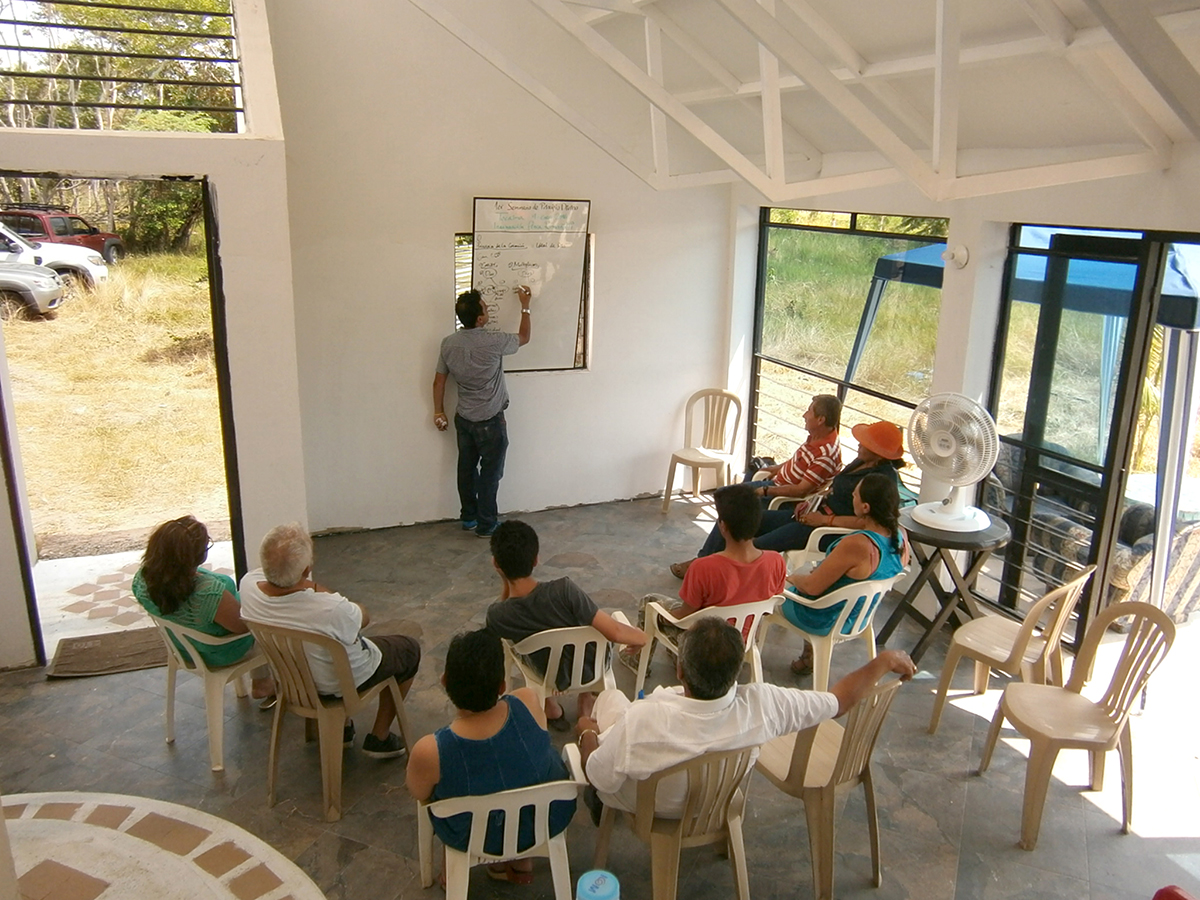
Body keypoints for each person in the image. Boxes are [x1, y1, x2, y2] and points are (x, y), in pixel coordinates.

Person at [577, 617, 915, 817]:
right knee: (617, 714)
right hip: (718, 802)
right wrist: (882, 661)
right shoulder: (764, 703)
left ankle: (590, 717)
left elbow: (600, 777)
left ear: (680, 670)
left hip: (649, 808)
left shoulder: (646, 719)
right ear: (738, 671)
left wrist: (586, 733)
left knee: (610, 701)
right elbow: (839, 702)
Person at [406, 629, 576, 886]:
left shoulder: (431, 750)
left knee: (446, 795)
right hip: (540, 822)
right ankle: (520, 862)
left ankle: (449, 876)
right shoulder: (528, 702)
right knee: (517, 773)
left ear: (444, 680)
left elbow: (419, 793)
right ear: (502, 686)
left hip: (475, 836)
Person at [238, 523, 420, 759]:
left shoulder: (247, 587)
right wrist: (314, 587)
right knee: (408, 650)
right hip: (339, 684)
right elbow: (363, 617)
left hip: (294, 681)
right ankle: (380, 737)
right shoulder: (330, 609)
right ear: (306, 571)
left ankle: (343, 730)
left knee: (327, 650)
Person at [675, 419, 907, 572]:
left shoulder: (882, 482)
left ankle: (715, 576)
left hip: (824, 528)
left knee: (753, 546)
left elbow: (869, 523)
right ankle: (702, 562)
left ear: (878, 453)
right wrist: (810, 504)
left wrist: (824, 520)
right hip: (811, 514)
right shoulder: (861, 462)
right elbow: (835, 490)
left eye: (864, 443)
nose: (858, 445)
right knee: (734, 517)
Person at [485, 520, 647, 728]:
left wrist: (505, 579)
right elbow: (615, 632)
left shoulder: (498, 615)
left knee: (521, 645)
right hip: (592, 668)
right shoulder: (564, 590)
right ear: (536, 559)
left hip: (548, 674)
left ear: (496, 564)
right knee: (580, 623)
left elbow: (508, 607)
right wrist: (641, 637)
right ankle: (585, 699)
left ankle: (550, 706)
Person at [670, 394, 842, 578]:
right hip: (776, 484)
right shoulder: (815, 437)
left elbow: (801, 490)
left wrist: (765, 490)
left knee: (729, 507)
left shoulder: (826, 453)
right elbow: (796, 464)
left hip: (781, 497)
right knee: (724, 497)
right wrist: (772, 469)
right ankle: (709, 562)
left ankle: (703, 563)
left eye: (809, 411)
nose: (804, 415)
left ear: (821, 419)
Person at [623, 483, 785, 672]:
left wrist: (662, 619)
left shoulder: (704, 567)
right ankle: (676, 654)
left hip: (703, 646)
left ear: (723, 526)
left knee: (650, 602)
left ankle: (637, 662)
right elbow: (768, 608)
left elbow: (686, 613)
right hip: (741, 641)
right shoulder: (776, 561)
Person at [132, 515, 274, 703]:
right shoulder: (208, 594)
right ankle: (265, 683)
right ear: (197, 556)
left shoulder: (142, 579)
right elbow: (243, 627)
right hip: (218, 653)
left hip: (183, 647)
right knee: (270, 621)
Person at [782, 472, 909, 675]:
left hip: (828, 617)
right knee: (810, 574)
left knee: (777, 588)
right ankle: (808, 657)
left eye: (855, 495)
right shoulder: (901, 536)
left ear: (865, 507)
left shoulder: (858, 544)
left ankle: (748, 648)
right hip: (860, 615)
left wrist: (789, 577)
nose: (852, 497)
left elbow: (812, 588)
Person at [432, 285, 532, 538]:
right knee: (490, 474)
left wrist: (438, 412)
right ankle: (487, 525)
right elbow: (524, 337)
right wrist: (525, 306)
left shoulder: (448, 343)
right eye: (486, 309)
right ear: (479, 319)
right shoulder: (495, 341)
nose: (489, 311)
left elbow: (439, 381)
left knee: (466, 469)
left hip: (463, 419)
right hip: (490, 420)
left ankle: (468, 517)